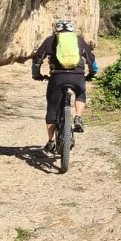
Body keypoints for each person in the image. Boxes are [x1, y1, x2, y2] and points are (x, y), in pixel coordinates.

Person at [31, 19, 99, 153]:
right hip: (77, 76)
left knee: (52, 107)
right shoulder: (78, 40)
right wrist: (92, 73)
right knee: (80, 94)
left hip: (57, 77)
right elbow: (91, 60)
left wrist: (36, 74)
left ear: (57, 30)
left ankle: (51, 142)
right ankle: (78, 117)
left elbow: (37, 60)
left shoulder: (50, 40)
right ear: (72, 30)